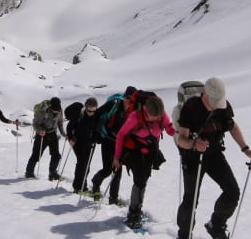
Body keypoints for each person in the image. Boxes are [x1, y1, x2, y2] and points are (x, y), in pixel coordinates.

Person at [174, 77, 251, 239]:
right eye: (213, 101)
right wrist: (194, 144)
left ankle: (216, 225)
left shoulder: (223, 107)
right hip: (192, 157)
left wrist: (245, 149)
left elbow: (232, 126)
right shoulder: (191, 108)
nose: (215, 105)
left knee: (232, 191)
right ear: (204, 94)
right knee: (191, 199)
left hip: (213, 154)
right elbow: (181, 139)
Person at [113, 93, 175, 229]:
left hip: (151, 152)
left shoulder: (161, 114)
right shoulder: (135, 116)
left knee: (144, 180)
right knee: (139, 180)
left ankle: (137, 209)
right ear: (147, 111)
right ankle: (133, 214)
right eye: (154, 117)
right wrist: (117, 157)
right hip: (135, 151)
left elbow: (169, 129)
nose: (157, 119)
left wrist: (178, 131)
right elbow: (121, 135)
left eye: (159, 117)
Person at [91, 86, 136, 204]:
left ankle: (113, 198)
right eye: (128, 98)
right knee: (107, 169)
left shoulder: (133, 111)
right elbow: (97, 114)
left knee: (118, 170)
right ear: (124, 96)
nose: (129, 101)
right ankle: (96, 183)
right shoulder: (113, 105)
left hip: (120, 144)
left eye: (132, 100)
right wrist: (96, 134)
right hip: (107, 140)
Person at [25, 97, 67, 180]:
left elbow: (60, 122)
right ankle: (29, 173)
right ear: (51, 106)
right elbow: (35, 123)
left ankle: (53, 173)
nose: (56, 112)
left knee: (56, 155)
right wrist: (39, 131)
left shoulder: (60, 110)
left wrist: (63, 133)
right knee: (36, 154)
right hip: (42, 134)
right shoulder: (43, 111)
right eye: (54, 110)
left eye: (57, 110)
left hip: (52, 133)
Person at [66, 97, 99, 193]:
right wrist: (70, 138)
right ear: (86, 107)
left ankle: (82, 185)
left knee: (86, 165)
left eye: (93, 111)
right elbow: (69, 127)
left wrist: (96, 139)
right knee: (82, 163)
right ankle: (77, 187)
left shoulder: (97, 116)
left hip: (90, 143)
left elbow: (98, 129)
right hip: (77, 142)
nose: (91, 113)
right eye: (89, 111)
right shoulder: (79, 114)